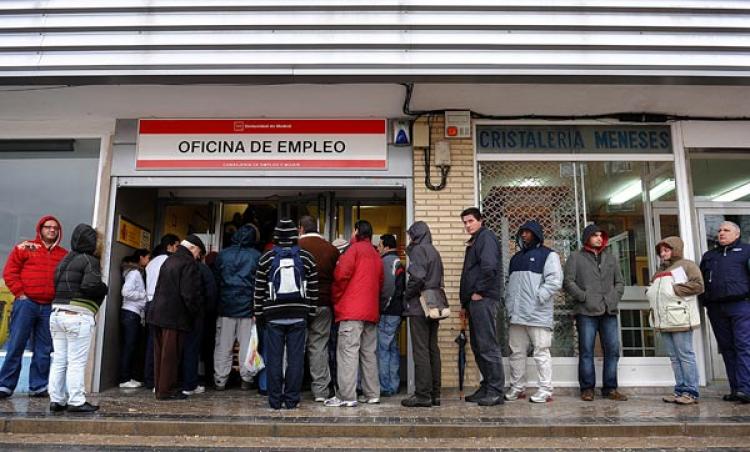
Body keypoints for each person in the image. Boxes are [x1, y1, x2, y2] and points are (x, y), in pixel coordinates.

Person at [254, 219, 318, 409]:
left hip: (273, 317)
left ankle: (274, 401)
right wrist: (310, 313)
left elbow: (258, 289)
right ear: (295, 235)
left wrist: (259, 313)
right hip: (299, 316)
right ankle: (291, 400)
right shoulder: (307, 257)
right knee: (296, 360)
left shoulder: (266, 258)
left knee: (274, 359)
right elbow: (313, 290)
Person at [0, 215, 67, 398]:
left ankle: (38, 387)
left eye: (55, 228)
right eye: (48, 227)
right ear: (40, 229)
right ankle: (5, 385)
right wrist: (20, 293)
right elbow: (10, 272)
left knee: (44, 349)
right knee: (16, 344)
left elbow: (66, 280)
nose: (52, 230)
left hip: (49, 307)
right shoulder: (25, 248)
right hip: (26, 303)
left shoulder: (63, 255)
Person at [564, 224, 627, 402]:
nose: (599, 238)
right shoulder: (575, 257)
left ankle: (610, 388)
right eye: (595, 235)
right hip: (585, 312)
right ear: (587, 238)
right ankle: (587, 389)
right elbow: (568, 282)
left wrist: (612, 299)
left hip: (609, 311)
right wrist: (584, 297)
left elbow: (620, 283)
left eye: (601, 235)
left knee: (613, 350)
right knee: (586, 351)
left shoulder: (611, 258)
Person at [48, 224, 108, 413]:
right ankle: (76, 401)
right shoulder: (90, 261)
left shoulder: (65, 260)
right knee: (76, 361)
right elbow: (91, 286)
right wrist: (104, 288)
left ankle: (56, 400)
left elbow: (55, 283)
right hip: (77, 315)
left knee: (59, 359)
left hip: (56, 313)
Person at [325, 220, 384, 407]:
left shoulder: (353, 250)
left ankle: (347, 396)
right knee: (369, 354)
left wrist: (336, 299)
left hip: (351, 311)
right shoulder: (376, 254)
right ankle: (372, 393)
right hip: (371, 311)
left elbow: (340, 276)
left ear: (357, 231)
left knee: (348, 353)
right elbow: (380, 282)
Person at [504, 220, 562, 404]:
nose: (523, 235)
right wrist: (509, 303)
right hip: (517, 314)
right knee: (516, 352)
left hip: (538, 314)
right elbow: (509, 283)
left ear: (536, 234)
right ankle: (517, 387)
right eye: (522, 232)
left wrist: (537, 299)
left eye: (527, 232)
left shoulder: (549, 255)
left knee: (541, 352)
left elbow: (554, 281)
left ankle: (545, 389)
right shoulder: (515, 258)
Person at [147, 235, 204, 400]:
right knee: (170, 356)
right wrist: (195, 313)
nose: (198, 257)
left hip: (157, 314)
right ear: (193, 248)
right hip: (174, 317)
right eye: (198, 252)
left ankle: (160, 388)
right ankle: (167, 390)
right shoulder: (188, 263)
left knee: (160, 356)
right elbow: (189, 294)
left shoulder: (169, 260)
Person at [648, 236, 703, 405]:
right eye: (661, 251)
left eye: (667, 250)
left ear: (675, 249)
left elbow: (698, 285)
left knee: (685, 355)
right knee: (674, 357)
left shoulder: (687, 265)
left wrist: (674, 289)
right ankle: (680, 390)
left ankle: (691, 392)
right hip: (664, 320)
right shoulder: (659, 271)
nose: (663, 254)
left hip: (680, 318)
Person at [459, 207, 505, 406]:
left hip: (484, 300)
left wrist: (479, 292)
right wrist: (465, 303)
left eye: (470, 221)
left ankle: (496, 391)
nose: (467, 225)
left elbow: (489, 268)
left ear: (480, 220)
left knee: (487, 345)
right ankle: (486, 386)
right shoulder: (476, 240)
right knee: (478, 346)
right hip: (474, 301)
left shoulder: (486, 238)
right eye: (465, 222)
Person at [700, 221, 750, 403]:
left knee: (744, 346)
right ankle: (736, 389)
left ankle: (746, 388)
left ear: (736, 234)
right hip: (716, 308)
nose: (721, 233)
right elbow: (702, 281)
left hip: (740, 305)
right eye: (720, 230)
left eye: (726, 230)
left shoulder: (746, 251)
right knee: (728, 349)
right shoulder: (709, 256)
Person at [213, 224, 261, 391]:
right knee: (247, 346)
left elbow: (216, 280)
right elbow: (259, 284)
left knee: (223, 346)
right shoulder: (256, 256)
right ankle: (246, 379)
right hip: (248, 308)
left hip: (225, 306)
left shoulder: (223, 255)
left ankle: (220, 380)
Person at [401, 222, 444, 408]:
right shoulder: (433, 250)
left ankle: (422, 395)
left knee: (420, 350)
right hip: (434, 304)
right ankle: (435, 394)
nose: (410, 238)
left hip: (419, 305)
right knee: (432, 348)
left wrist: (406, 294)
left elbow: (417, 278)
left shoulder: (419, 250)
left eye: (411, 235)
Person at [298, 215, 340, 402]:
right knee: (319, 347)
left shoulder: (296, 248)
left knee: (294, 346)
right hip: (323, 303)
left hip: (299, 304)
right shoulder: (331, 250)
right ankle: (321, 391)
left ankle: (291, 387)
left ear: (301, 229)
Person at [143, 234, 180, 390]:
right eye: (177, 246)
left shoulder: (151, 263)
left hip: (149, 303)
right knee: (164, 345)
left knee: (152, 343)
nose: (179, 250)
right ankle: (160, 381)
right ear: (170, 246)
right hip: (162, 303)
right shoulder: (169, 261)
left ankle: (149, 378)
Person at [181, 250, 217, 396]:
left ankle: (167, 382)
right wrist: (207, 311)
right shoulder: (203, 269)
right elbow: (211, 292)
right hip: (198, 314)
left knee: (177, 348)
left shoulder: (177, 266)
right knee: (193, 348)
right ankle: (191, 383)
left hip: (178, 314)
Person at [377, 233, 404, 398]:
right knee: (393, 348)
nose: (378, 249)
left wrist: (382, 307)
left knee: (383, 350)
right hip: (397, 312)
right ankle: (394, 384)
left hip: (388, 312)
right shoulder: (398, 261)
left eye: (379, 246)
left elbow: (387, 289)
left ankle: (385, 386)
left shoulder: (386, 262)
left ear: (386, 246)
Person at [119, 248, 150, 389]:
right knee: (129, 346)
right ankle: (125, 378)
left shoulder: (136, 272)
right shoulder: (135, 273)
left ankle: (129, 377)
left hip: (133, 313)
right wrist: (143, 295)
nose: (149, 261)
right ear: (141, 258)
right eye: (147, 258)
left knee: (132, 346)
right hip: (131, 313)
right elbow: (126, 292)